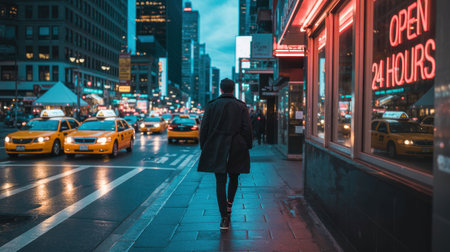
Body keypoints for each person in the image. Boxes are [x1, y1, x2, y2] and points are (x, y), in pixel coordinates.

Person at [197, 78, 253, 231]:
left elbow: (204, 129)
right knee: (234, 176)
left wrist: (205, 147)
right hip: (236, 146)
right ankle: (229, 206)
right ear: (233, 89)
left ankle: (224, 217)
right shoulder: (241, 107)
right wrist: (248, 145)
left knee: (220, 180)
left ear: (221, 89)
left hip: (217, 146)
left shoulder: (212, 105)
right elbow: (247, 128)